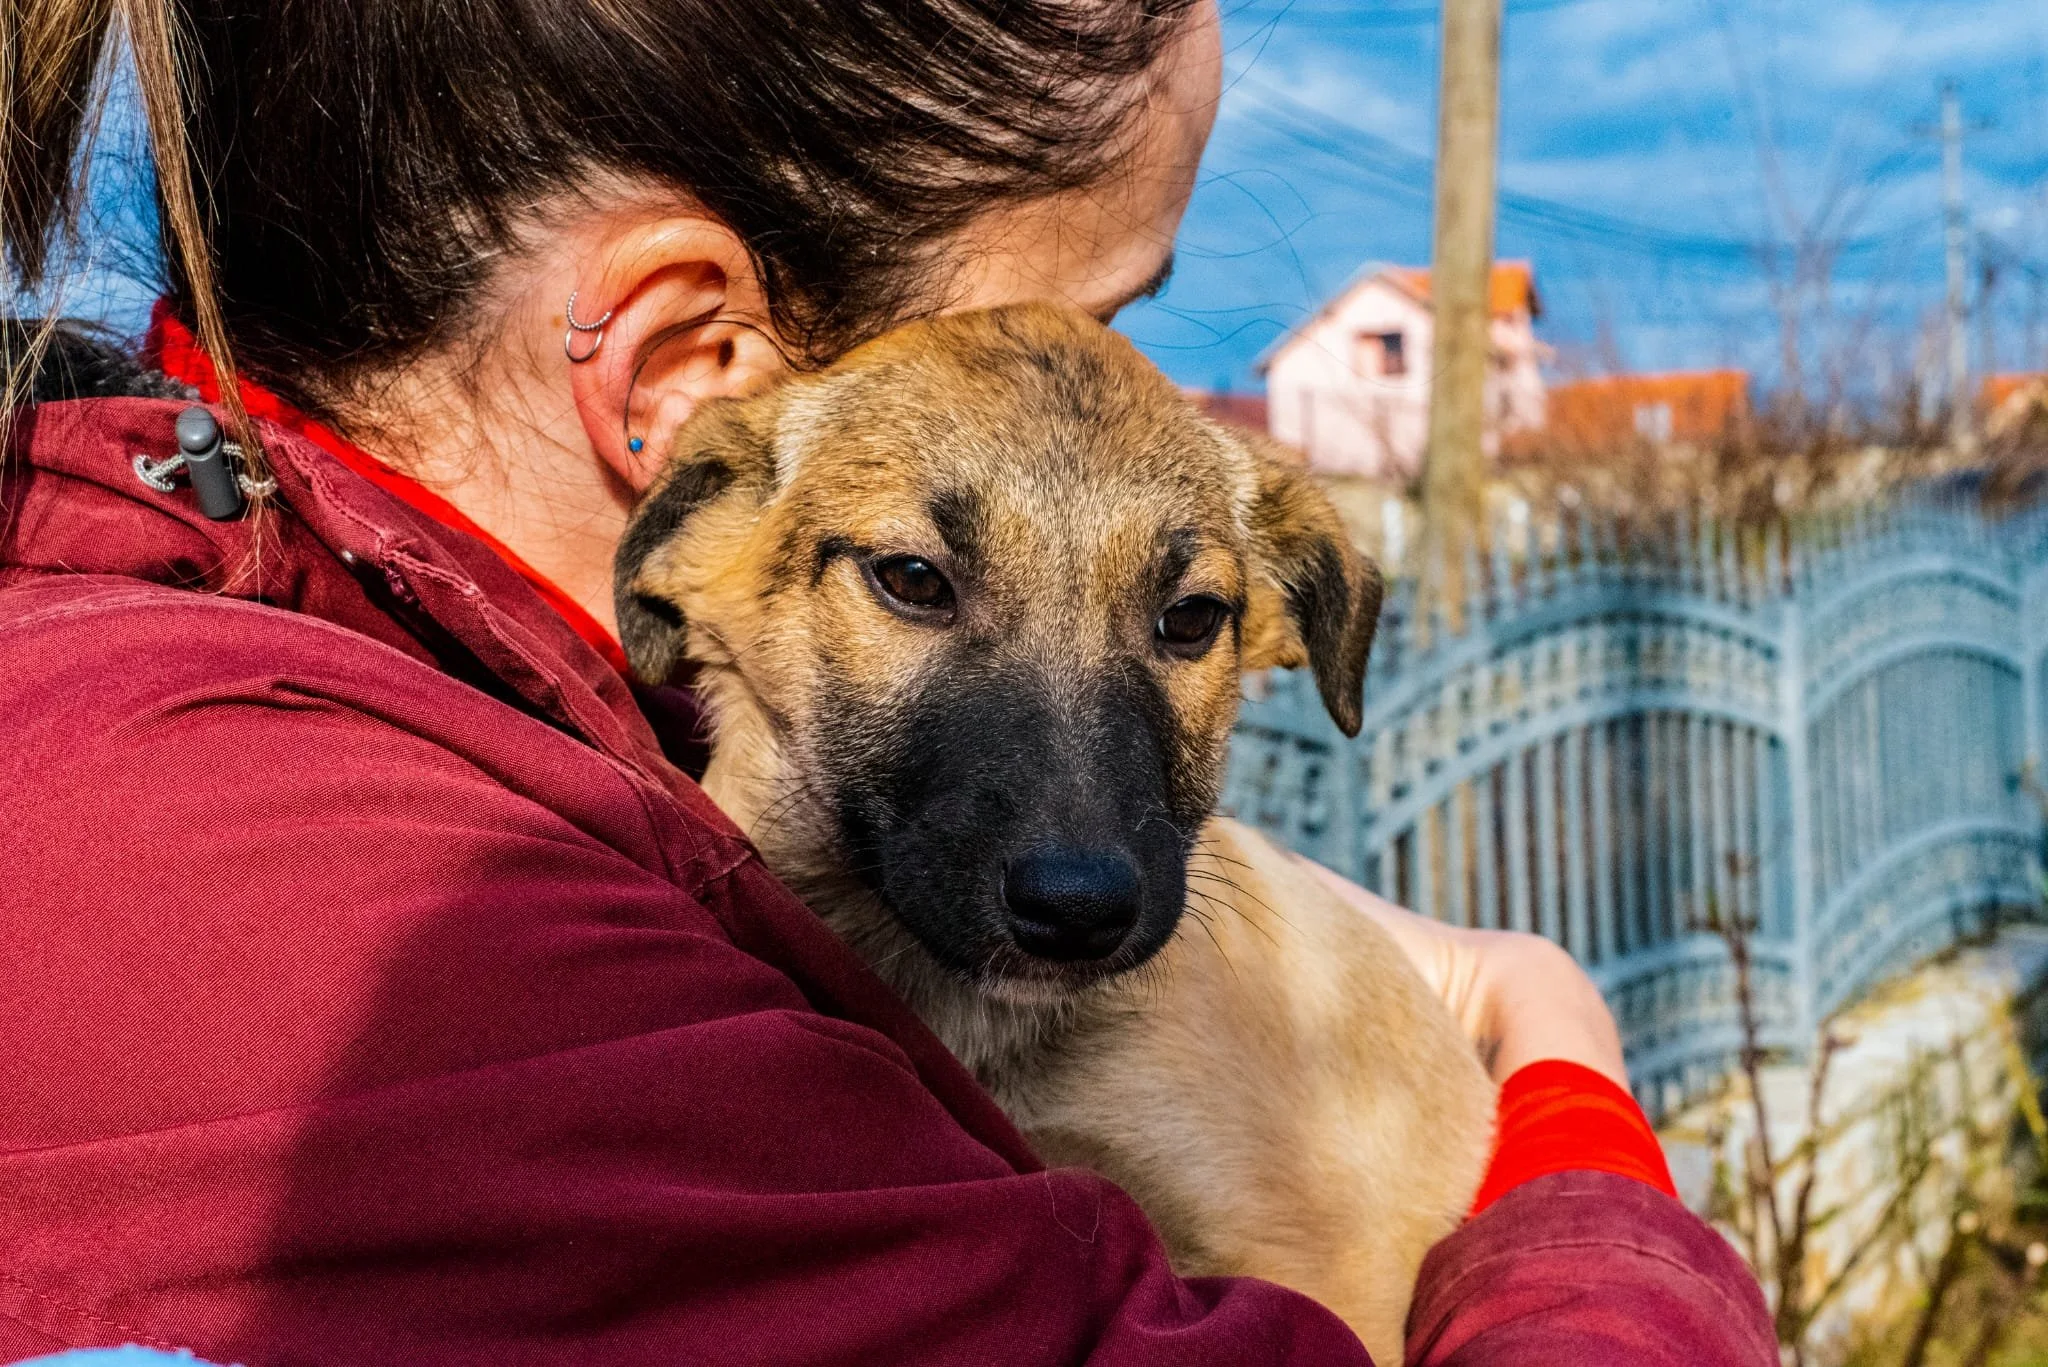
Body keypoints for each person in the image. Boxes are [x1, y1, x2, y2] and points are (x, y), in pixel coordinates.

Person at [0, 1, 1773, 1363]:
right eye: (1088, 325)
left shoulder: (335, 683)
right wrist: (1577, 1129)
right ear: (691, 378)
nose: (1101, 406)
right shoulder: (394, 932)